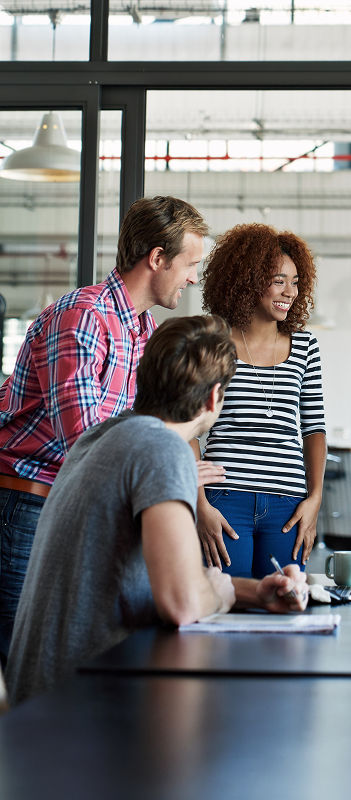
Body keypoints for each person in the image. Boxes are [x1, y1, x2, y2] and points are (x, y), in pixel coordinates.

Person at [6, 315, 308, 705]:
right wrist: (221, 595)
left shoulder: (103, 437)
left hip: (39, 706)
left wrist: (255, 592)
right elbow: (182, 602)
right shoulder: (162, 450)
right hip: (79, 713)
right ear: (215, 397)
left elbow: (163, 577)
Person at [0, 195, 212, 666]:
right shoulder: (84, 318)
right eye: (190, 264)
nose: (194, 277)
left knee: (68, 657)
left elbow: (133, 433)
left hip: (69, 504)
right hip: (28, 505)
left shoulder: (140, 331)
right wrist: (158, 470)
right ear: (157, 258)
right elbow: (85, 445)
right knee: (24, 660)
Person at [197, 223, 327, 577]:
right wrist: (199, 504)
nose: (290, 292)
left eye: (296, 281)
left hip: (288, 505)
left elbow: (314, 428)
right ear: (248, 280)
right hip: (224, 499)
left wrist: (314, 500)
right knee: (223, 604)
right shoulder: (213, 340)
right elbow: (188, 427)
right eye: (279, 280)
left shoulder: (305, 347)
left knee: (286, 607)